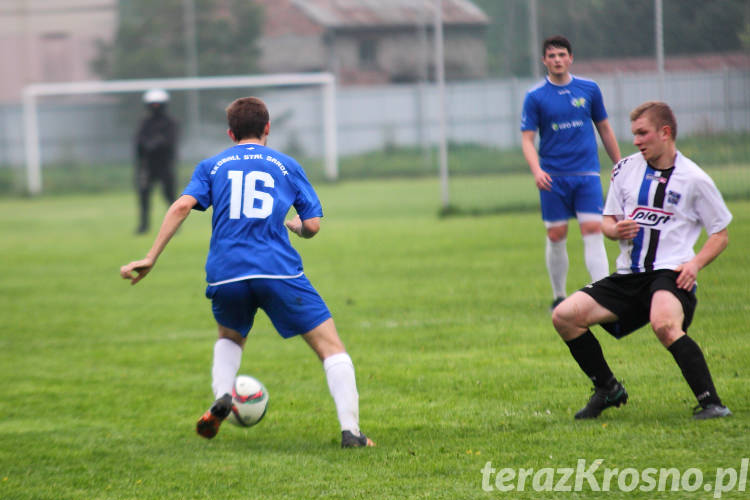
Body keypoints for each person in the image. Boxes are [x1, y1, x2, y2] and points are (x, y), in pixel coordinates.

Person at [120, 96, 375, 447]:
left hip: (226, 272)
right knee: (332, 349)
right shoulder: (286, 165)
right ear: (267, 128)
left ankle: (224, 394)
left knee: (229, 337)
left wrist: (150, 256)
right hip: (277, 270)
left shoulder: (211, 166)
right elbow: (313, 225)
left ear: (230, 133)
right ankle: (352, 433)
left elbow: (181, 205)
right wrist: (296, 227)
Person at [551, 101, 733, 420]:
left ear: (665, 133)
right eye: (633, 133)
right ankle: (608, 389)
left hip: (670, 274)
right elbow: (607, 222)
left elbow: (720, 234)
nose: (635, 140)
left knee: (664, 324)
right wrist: (614, 229)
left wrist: (694, 265)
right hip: (628, 276)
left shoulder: (693, 178)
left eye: (642, 133)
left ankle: (712, 403)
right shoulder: (626, 169)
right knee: (565, 316)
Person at [521, 35, 621, 310]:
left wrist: (619, 163)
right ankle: (558, 295)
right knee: (556, 234)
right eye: (551, 56)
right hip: (553, 177)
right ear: (544, 61)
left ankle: (603, 294)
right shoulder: (535, 96)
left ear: (570, 58)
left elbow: (604, 128)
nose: (557, 60)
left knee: (592, 229)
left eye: (561, 54)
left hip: (586, 174)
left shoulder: (589, 89)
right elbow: (527, 139)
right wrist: (537, 171)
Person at [134, 88, 179, 234]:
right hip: (148, 166)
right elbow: (139, 144)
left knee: (170, 197)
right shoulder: (144, 123)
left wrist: (154, 145)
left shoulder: (170, 122)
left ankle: (175, 226)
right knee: (144, 196)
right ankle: (143, 226)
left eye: (158, 104)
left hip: (165, 165)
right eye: (152, 104)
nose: (155, 107)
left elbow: (169, 143)